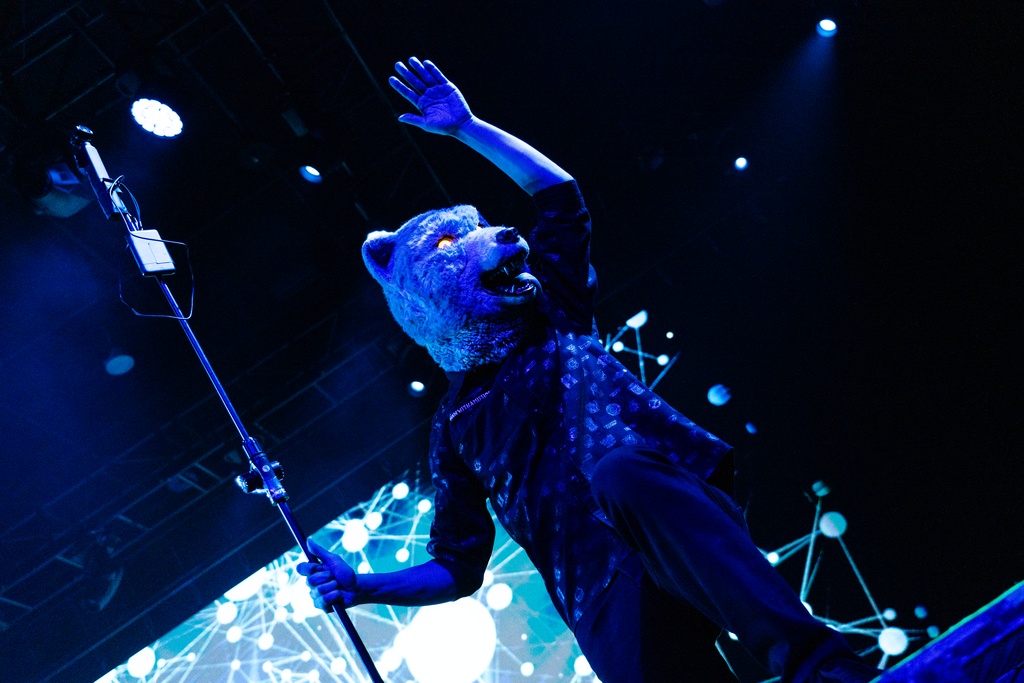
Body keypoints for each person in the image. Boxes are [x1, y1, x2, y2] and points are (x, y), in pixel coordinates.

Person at [298, 57, 879, 683]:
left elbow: (558, 197)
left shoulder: (551, 311)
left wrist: (468, 128)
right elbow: (456, 566)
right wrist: (364, 585)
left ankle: (823, 670)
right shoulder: (455, 426)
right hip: (593, 585)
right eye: (448, 244)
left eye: (478, 229)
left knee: (621, 473)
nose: (496, 235)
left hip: (660, 509)